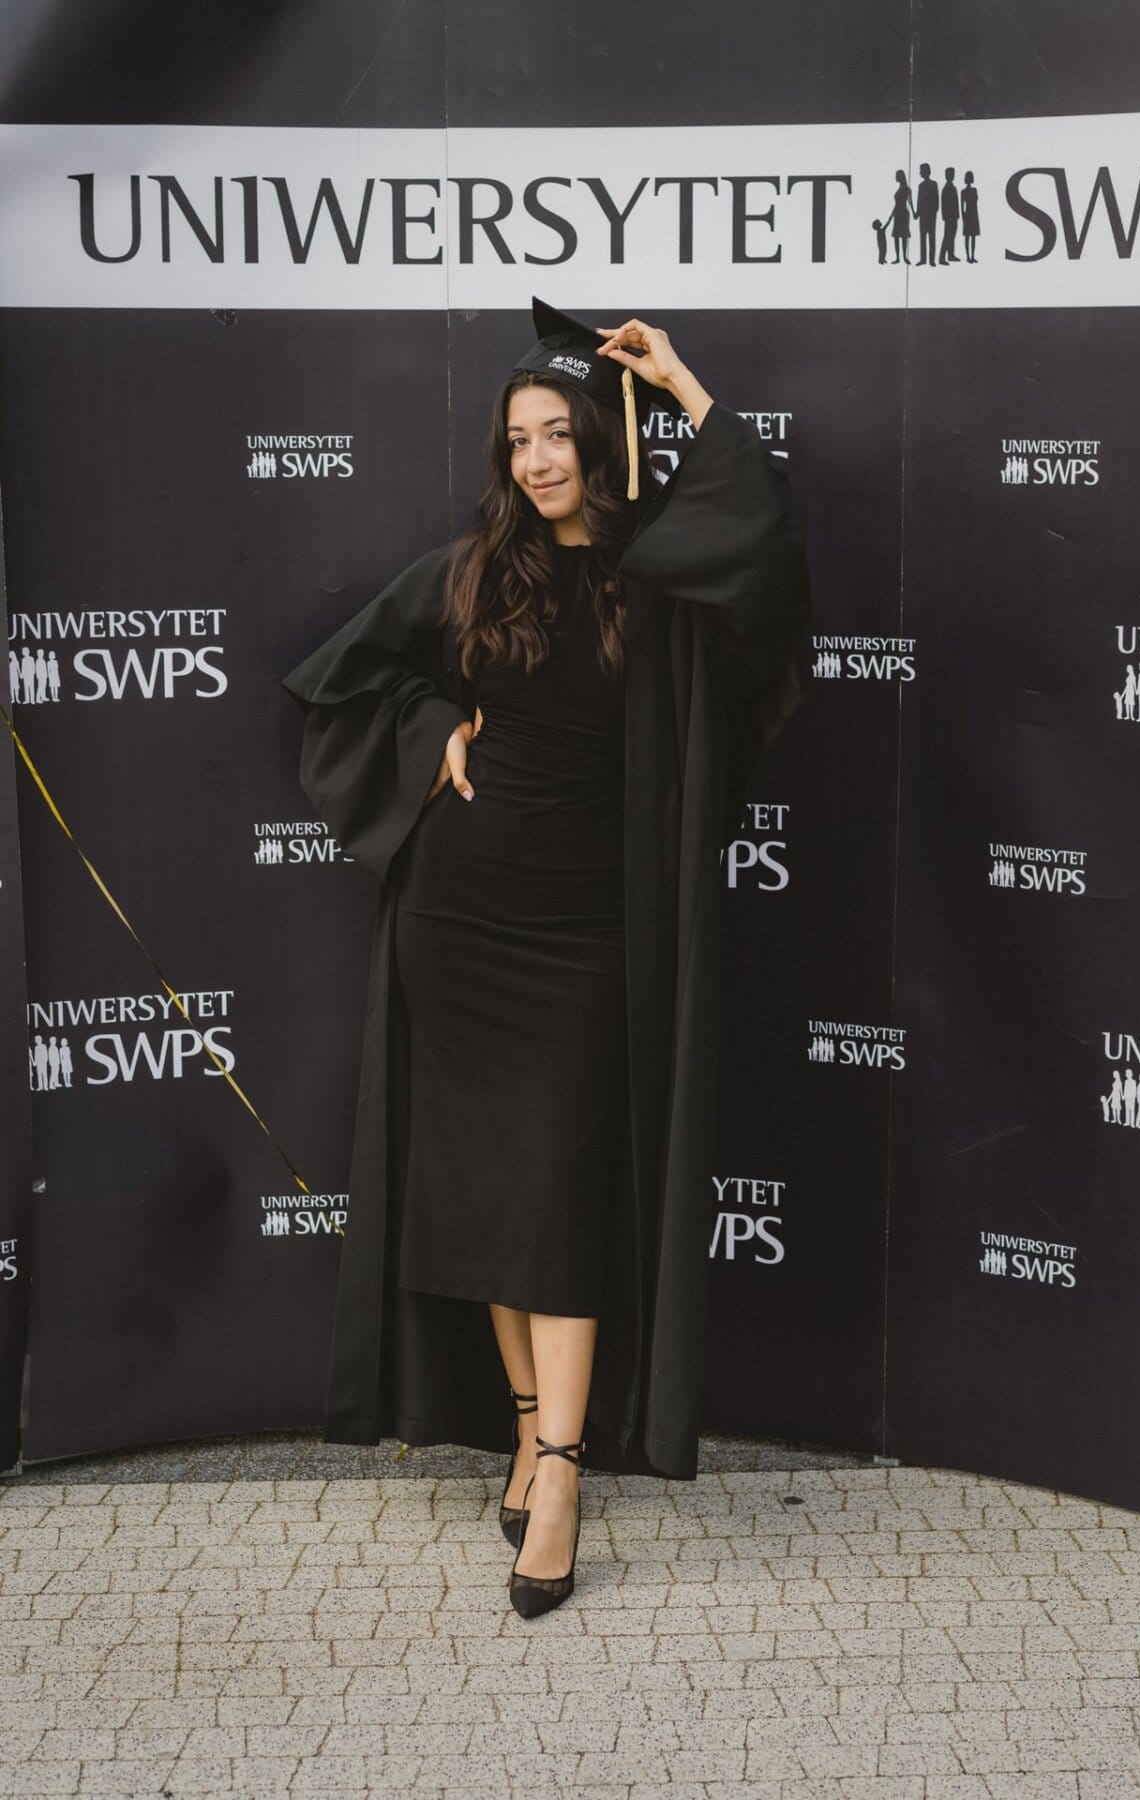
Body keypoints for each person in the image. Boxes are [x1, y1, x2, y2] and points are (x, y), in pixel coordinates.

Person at [281, 297, 812, 1617]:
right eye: (517, 439)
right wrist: (428, 741)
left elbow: (769, 544)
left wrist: (683, 383)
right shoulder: (473, 570)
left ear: (597, 442)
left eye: (558, 434)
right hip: (455, 927)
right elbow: (350, 684)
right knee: (487, 1207)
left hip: (586, 939)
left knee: (556, 1205)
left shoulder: (659, 579)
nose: (537, 460)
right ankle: (529, 1430)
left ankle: (562, 1474)